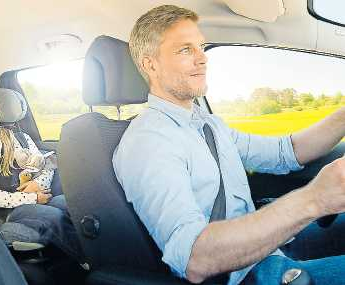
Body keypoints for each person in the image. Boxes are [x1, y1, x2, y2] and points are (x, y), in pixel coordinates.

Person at [113, 5, 345, 285]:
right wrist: (314, 199)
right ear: (151, 64)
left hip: (264, 249)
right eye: (185, 50)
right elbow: (195, 258)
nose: (202, 59)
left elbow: (286, 152)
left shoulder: (208, 125)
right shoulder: (148, 140)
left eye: (200, 47)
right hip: (242, 274)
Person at [0, 84, 80, 260]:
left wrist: (38, 184)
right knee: (54, 217)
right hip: (11, 209)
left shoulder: (22, 138)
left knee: (67, 203)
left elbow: (44, 165)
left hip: (39, 195)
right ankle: (88, 259)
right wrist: (32, 198)